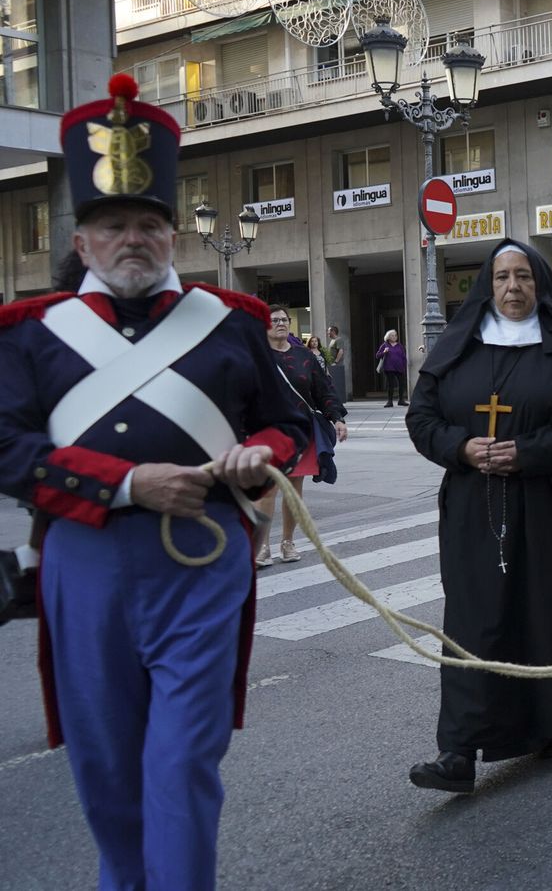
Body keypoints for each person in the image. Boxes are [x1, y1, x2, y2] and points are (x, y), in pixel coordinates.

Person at [0, 75, 309, 889]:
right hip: (86, 566)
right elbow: (6, 448)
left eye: (147, 224)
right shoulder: (30, 335)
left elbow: (291, 427)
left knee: (180, 763)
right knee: (106, 770)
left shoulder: (232, 323)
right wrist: (128, 483)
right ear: (83, 243)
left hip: (202, 565)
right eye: (113, 226)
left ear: (172, 235)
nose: (131, 239)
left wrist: (259, 454)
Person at [404, 240, 552, 794]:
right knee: (473, 619)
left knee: (545, 612)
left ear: (539, 284)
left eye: (523, 276)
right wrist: (460, 447)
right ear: (487, 285)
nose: (513, 287)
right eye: (502, 277)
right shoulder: (457, 347)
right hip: (473, 504)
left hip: (547, 499)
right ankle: (458, 750)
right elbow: (421, 418)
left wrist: (529, 451)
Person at [255, 307, 347, 567]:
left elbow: (323, 390)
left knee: (293, 491)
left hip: (300, 432)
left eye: (284, 319)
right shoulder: (255, 357)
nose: (281, 323)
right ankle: (262, 546)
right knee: (267, 490)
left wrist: (337, 418)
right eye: (274, 320)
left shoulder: (304, 355)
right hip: (267, 432)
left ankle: (287, 542)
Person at [376, 329, 408, 406]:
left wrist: (404, 365)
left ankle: (401, 400)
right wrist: (384, 352)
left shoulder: (399, 345)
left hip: (399, 367)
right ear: (388, 337)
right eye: (392, 335)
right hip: (389, 368)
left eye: (395, 335)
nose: (394, 337)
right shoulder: (385, 345)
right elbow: (377, 355)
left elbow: (403, 356)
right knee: (391, 385)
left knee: (401, 384)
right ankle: (389, 401)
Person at [325, 324, 347, 402]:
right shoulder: (332, 341)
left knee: (336, 382)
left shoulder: (339, 340)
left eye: (328, 331)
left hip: (336, 365)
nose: (327, 333)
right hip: (331, 365)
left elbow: (341, 351)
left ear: (333, 331)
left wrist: (336, 362)